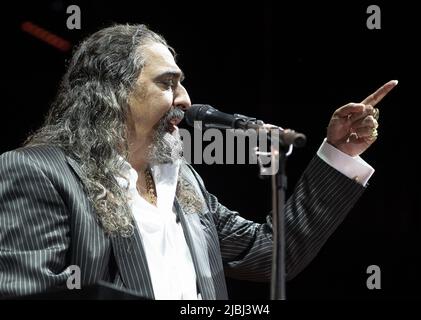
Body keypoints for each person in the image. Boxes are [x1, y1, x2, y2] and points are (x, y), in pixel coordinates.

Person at [0, 24, 397, 299]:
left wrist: (339, 154)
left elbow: (274, 253)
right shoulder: (39, 172)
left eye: (182, 83)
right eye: (167, 83)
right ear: (111, 93)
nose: (185, 100)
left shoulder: (184, 183)